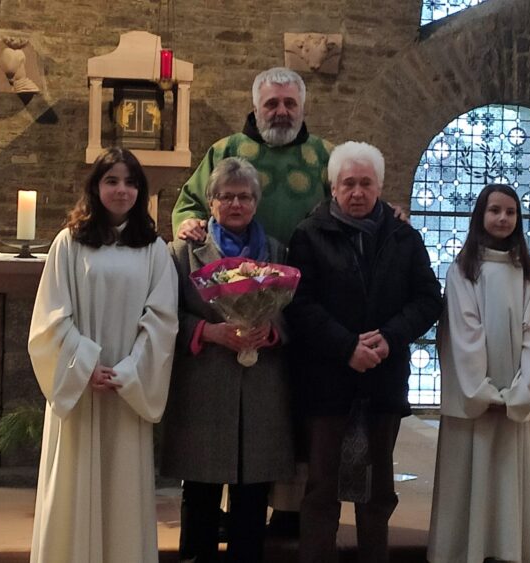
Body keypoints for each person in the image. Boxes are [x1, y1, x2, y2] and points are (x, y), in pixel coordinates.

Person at [285, 141, 444, 563]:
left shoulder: (403, 236)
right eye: (348, 183)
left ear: (380, 186)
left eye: (366, 183)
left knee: (377, 491)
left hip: (382, 380)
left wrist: (390, 337)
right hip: (326, 381)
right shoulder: (309, 235)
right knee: (322, 488)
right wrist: (346, 347)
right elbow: (299, 303)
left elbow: (428, 298)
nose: (357, 192)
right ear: (333, 187)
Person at [27, 147, 179, 563]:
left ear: (140, 191)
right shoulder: (68, 243)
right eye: (111, 180)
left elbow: (162, 321)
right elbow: (51, 316)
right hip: (81, 390)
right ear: (95, 187)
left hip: (125, 392)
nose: (121, 190)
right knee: (73, 482)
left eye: (130, 182)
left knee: (122, 487)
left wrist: (128, 372)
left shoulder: (154, 249)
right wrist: (84, 365)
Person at [161, 157, 295, 563]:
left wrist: (270, 330)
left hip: (259, 390)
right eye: (227, 196)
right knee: (200, 492)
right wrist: (208, 331)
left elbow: (295, 314)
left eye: (245, 197)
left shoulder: (276, 250)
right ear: (211, 202)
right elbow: (164, 317)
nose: (236, 204)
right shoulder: (182, 252)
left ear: (256, 202)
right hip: (204, 386)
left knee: (252, 497)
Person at [426, 184, 530, 563]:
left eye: (510, 212)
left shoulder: (529, 273)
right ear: (480, 215)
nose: (502, 218)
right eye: (494, 210)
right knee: (467, 475)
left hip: (513, 397)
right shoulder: (463, 270)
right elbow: (464, 333)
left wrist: (519, 392)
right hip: (475, 400)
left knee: (506, 477)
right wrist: (481, 392)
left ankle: (505, 550)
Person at [172, 66, 333, 246]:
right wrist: (189, 222)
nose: (281, 112)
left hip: (310, 261)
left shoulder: (326, 155)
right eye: (271, 104)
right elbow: (190, 205)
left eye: (290, 103)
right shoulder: (225, 150)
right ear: (255, 110)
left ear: (302, 109)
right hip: (237, 261)